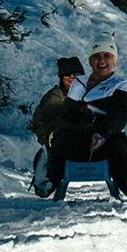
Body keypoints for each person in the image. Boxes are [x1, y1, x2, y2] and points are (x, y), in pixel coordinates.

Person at [47, 36, 127, 199]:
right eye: (96, 56)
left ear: (114, 60)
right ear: (90, 60)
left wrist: (101, 133)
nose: (101, 60)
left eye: (106, 55)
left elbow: (118, 118)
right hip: (78, 139)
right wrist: (80, 122)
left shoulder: (121, 85)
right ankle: (46, 181)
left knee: (116, 150)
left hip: (107, 139)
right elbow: (68, 115)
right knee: (62, 144)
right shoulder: (79, 83)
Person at [30, 57, 85, 196]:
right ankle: (45, 180)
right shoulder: (55, 96)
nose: (72, 78)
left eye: (76, 75)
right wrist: (47, 140)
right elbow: (42, 120)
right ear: (61, 78)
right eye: (67, 75)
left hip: (85, 142)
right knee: (59, 156)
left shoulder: (89, 94)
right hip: (60, 141)